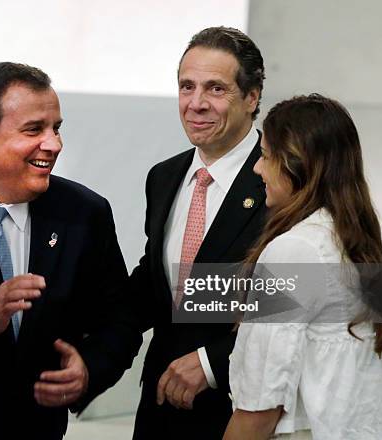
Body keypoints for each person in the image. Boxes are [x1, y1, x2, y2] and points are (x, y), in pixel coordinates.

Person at [0, 62, 140, 439]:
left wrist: (89, 368)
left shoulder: (83, 213)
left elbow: (120, 318)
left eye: (56, 129)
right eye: (34, 129)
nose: (54, 144)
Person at [225, 94, 382, 439]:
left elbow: (260, 407)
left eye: (265, 155)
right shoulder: (356, 245)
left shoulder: (296, 251)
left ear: (296, 163)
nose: (258, 169)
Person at [128, 27, 268, 439]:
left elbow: (307, 294)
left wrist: (212, 363)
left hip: (240, 411)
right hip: (160, 406)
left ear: (252, 97)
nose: (196, 104)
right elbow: (160, 284)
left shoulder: (284, 181)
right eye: (186, 86)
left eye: (215, 89)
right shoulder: (164, 177)